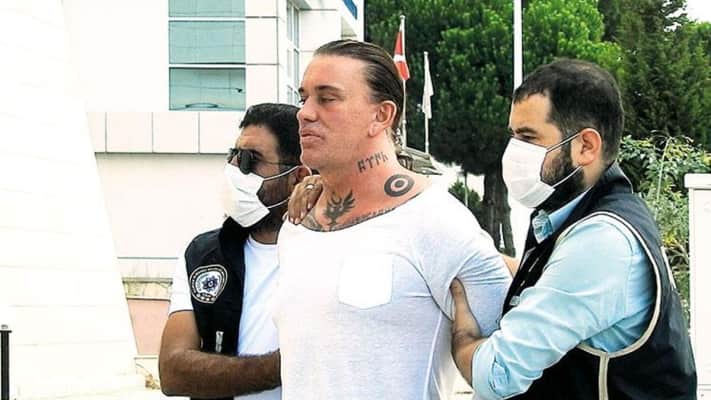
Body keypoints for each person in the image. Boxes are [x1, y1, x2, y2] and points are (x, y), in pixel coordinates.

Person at [273, 39, 512, 399]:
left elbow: (513, 366)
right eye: (303, 98)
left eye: (327, 98)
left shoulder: (436, 221)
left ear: (382, 115)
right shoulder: (297, 223)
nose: (304, 113)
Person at [450, 59, 697, 399]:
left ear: (586, 146)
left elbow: (496, 375)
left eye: (528, 138)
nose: (513, 153)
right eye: (513, 136)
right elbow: (558, 282)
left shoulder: (602, 241)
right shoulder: (585, 214)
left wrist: (462, 334)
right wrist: (480, 260)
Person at [158, 103, 310, 400]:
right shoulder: (204, 254)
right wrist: (285, 365)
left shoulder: (326, 250)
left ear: (298, 177)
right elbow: (173, 372)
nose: (236, 171)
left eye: (251, 160)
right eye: (234, 156)